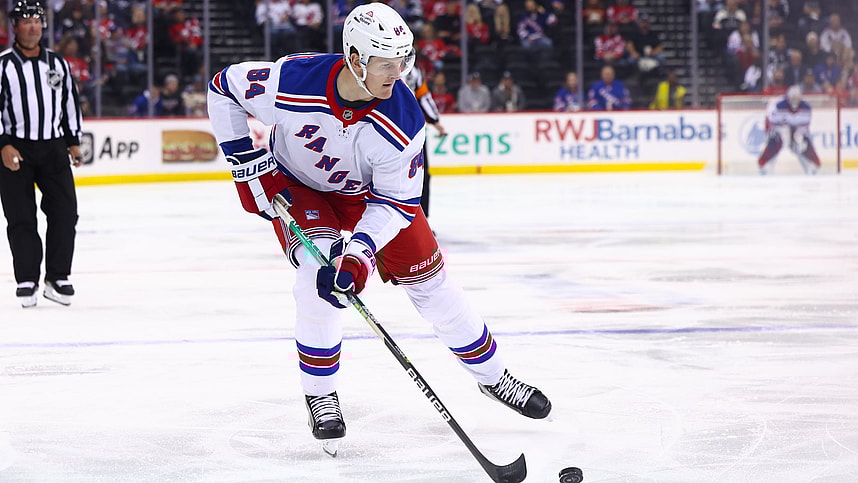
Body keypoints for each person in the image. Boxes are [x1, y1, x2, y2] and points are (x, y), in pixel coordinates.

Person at [206, 2, 551, 456]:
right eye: (386, 64)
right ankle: (321, 394)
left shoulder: (404, 120)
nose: (398, 73)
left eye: (403, 61)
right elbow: (222, 89)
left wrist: (361, 256)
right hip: (301, 189)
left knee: (435, 286)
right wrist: (249, 167)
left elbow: (394, 204)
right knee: (317, 276)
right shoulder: (290, 81)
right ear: (354, 58)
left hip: (372, 197)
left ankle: (494, 378)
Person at [0, 0, 83, 307]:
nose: (33, 26)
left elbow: (69, 103)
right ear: (15, 26)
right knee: (21, 217)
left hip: (53, 148)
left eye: (37, 20)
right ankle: (27, 279)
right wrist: (3, 144)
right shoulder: (4, 65)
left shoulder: (58, 64)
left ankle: (58, 276)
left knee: (65, 212)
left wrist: (74, 140)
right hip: (15, 148)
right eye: (26, 21)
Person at [403, 63, 446, 218]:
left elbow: (423, 96)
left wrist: (435, 121)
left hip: (410, 130)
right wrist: (435, 121)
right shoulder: (413, 70)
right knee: (419, 175)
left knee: (420, 175)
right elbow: (424, 97)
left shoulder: (413, 70)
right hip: (410, 129)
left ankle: (420, 221)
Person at [757, 85, 820, 175]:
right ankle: (765, 165)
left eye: (796, 98)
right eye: (792, 98)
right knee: (775, 143)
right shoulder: (779, 106)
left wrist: (798, 136)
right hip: (779, 127)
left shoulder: (806, 109)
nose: (794, 101)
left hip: (796, 128)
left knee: (801, 145)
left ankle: (811, 165)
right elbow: (772, 122)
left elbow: (804, 128)